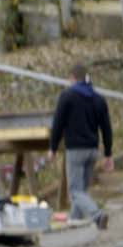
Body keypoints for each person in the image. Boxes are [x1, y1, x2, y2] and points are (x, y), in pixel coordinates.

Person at [48, 70, 112, 227]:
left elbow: (58, 123)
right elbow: (106, 128)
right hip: (92, 151)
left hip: (75, 150)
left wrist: (53, 147)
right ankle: (74, 222)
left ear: (72, 78)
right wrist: (108, 154)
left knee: (75, 191)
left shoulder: (67, 96)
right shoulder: (98, 99)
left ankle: (97, 215)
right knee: (82, 190)